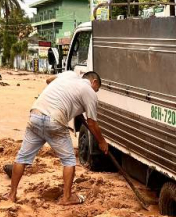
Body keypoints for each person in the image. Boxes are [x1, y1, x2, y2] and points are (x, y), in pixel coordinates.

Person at [6, 71, 108, 205]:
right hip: (54, 121)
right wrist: (102, 141)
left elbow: (49, 80)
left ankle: (12, 195)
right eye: (97, 89)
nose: (96, 91)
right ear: (94, 82)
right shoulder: (89, 91)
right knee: (69, 160)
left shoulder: (69, 75)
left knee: (22, 158)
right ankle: (67, 198)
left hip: (35, 115)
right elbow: (92, 123)